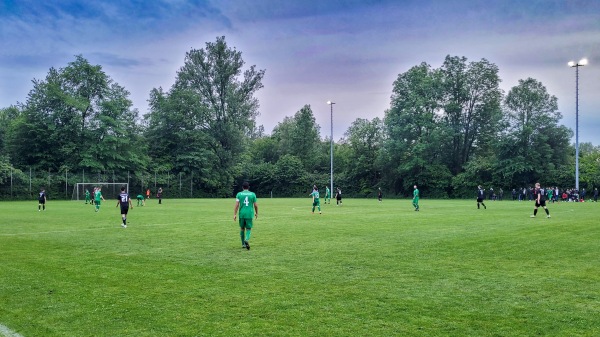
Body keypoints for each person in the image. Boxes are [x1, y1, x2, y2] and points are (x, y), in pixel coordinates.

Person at [234, 181, 258, 250]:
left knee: (242, 228)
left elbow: (236, 205)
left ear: (242, 187)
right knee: (248, 228)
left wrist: (235, 214)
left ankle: (243, 244)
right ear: (248, 187)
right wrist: (256, 213)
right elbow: (255, 205)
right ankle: (246, 239)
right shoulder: (253, 194)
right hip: (249, 214)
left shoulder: (239, 194)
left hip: (242, 214)